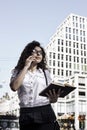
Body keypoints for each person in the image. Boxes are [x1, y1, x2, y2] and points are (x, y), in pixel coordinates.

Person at [9, 40, 60, 130]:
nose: (38, 54)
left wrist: (53, 99)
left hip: (45, 111)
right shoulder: (18, 71)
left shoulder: (45, 72)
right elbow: (14, 87)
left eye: (40, 53)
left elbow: (49, 94)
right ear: (28, 54)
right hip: (26, 113)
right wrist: (26, 66)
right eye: (35, 52)